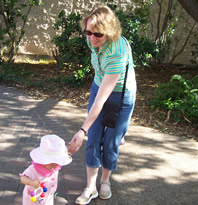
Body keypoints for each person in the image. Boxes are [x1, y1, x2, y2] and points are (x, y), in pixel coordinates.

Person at [68, 5, 136, 204]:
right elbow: (99, 92)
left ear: (110, 31)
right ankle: (90, 187)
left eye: (97, 33)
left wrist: (82, 130)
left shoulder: (117, 52)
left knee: (110, 141)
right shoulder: (93, 40)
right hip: (100, 85)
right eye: (88, 32)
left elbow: (102, 100)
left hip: (121, 95)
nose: (92, 37)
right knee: (94, 137)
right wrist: (87, 132)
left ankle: (105, 181)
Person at [20, 134, 72, 205]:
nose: (54, 165)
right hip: (33, 200)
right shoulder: (34, 169)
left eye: (57, 161)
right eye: (51, 161)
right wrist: (30, 182)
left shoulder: (55, 167)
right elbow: (23, 178)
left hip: (48, 197)